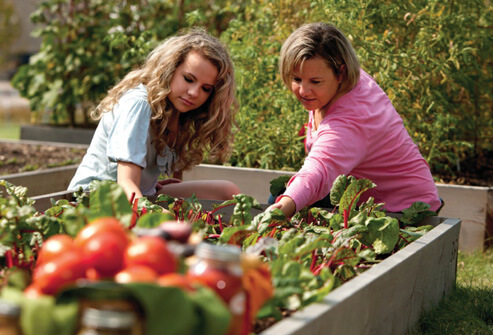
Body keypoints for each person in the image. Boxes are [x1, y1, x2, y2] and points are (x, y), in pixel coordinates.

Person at [267, 22, 441, 217]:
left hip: (402, 210)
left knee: (282, 200)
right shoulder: (336, 86)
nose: (303, 91)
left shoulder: (352, 118)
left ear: (340, 73)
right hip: (367, 198)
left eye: (315, 81)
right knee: (284, 195)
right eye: (296, 79)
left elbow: (320, 171)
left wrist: (282, 210)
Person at [68, 29, 241, 202]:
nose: (194, 92)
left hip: (139, 195)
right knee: (170, 223)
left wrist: (150, 183)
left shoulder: (179, 113)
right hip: (97, 199)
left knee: (227, 191)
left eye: (206, 88)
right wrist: (162, 219)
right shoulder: (139, 104)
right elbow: (125, 182)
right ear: (169, 69)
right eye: (188, 79)